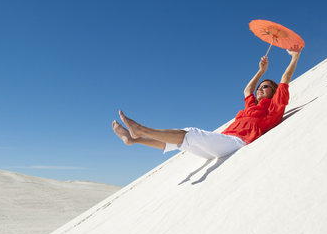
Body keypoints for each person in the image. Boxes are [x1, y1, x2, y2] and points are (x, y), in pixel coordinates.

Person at [112, 47, 301, 159]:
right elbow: (247, 91)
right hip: (222, 143)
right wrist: (261, 71)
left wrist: (295, 57)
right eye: (261, 86)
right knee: (180, 143)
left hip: (237, 143)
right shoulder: (251, 106)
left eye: (266, 86)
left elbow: (286, 77)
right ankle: (134, 140)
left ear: (274, 92)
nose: (261, 88)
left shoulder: (274, 106)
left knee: (191, 133)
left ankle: (141, 130)